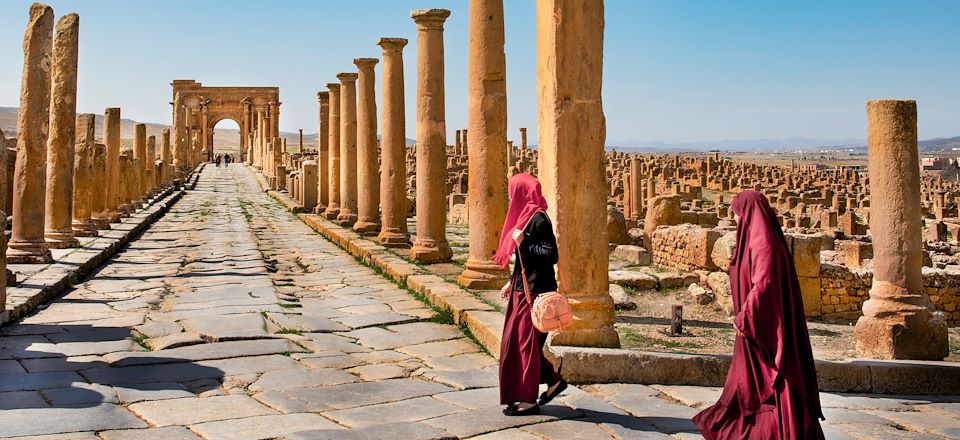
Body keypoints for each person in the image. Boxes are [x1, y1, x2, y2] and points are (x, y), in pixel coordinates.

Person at [693, 190, 824, 439]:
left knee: (771, 379)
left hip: (765, 327)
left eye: (738, 216)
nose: (737, 221)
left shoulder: (763, 241)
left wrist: (746, 318)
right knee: (748, 381)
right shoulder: (757, 237)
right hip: (757, 325)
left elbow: (764, 283)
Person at [494, 173, 566, 417]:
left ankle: (528, 400)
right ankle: (552, 380)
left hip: (536, 292)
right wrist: (510, 282)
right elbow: (523, 262)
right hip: (522, 289)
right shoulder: (525, 217)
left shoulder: (538, 218)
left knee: (526, 345)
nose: (511, 196)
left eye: (514, 191)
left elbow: (551, 254)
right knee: (516, 345)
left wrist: (524, 242)